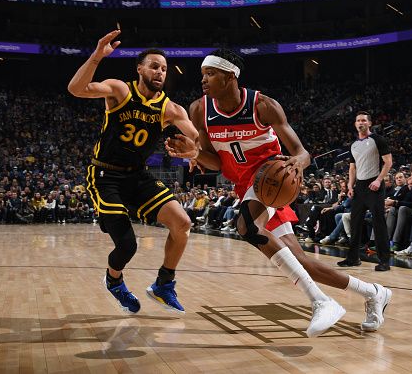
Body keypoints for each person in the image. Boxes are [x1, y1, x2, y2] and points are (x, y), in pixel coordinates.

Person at [167, 49, 391, 335]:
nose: (203, 80)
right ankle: (374, 292)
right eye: (202, 75)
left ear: (230, 76)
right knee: (299, 260)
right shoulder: (200, 109)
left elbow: (302, 152)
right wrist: (196, 152)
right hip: (245, 185)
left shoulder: (263, 105)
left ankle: (321, 301)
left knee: (246, 226)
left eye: (210, 74)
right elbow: (218, 163)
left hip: (270, 180)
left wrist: (297, 161)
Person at [67, 30, 199, 315]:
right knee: (127, 246)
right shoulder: (120, 90)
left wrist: (193, 151)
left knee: (182, 223)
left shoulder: (171, 109)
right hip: (105, 176)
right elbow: (76, 89)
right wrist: (96, 57)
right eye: (154, 65)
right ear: (139, 68)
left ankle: (164, 284)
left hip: (137, 176)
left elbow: (195, 139)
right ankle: (114, 281)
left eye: (164, 68)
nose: (159, 72)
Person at [337, 112, 393, 271]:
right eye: (358, 120)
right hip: (359, 187)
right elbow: (352, 168)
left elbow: (388, 162)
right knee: (355, 223)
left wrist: (378, 180)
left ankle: (384, 261)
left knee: (378, 222)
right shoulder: (353, 145)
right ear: (355, 124)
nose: (360, 122)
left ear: (369, 123)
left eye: (363, 120)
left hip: (374, 185)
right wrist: (349, 186)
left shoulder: (378, 140)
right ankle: (353, 258)